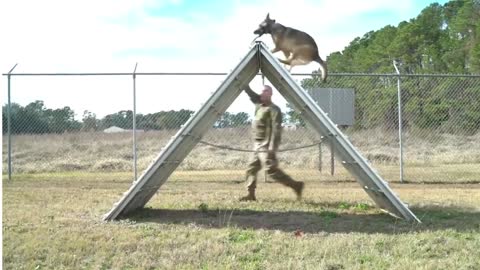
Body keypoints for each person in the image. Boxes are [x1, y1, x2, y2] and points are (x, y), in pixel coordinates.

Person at [240, 84, 304, 201]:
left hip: (265, 145)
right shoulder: (259, 105)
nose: (262, 94)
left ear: (270, 94)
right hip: (257, 144)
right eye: (262, 92)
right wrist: (246, 87)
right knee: (251, 169)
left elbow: (276, 130)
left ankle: (296, 185)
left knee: (271, 170)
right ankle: (250, 194)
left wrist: (272, 147)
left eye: (265, 92)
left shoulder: (274, 109)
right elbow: (253, 95)